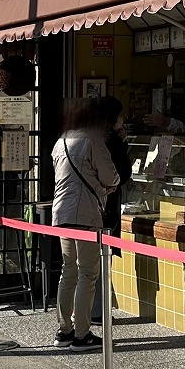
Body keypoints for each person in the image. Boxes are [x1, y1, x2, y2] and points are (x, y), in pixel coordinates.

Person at [51, 97, 119, 350]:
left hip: (61, 213)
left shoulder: (61, 141)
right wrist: (106, 187)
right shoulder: (93, 140)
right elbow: (111, 176)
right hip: (85, 213)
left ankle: (63, 330)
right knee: (87, 273)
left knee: (68, 272)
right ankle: (82, 334)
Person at [98, 97, 132, 248]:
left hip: (93, 204)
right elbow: (123, 173)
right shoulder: (112, 140)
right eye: (120, 116)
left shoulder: (95, 137)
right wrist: (123, 145)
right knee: (105, 248)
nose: (122, 120)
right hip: (107, 204)